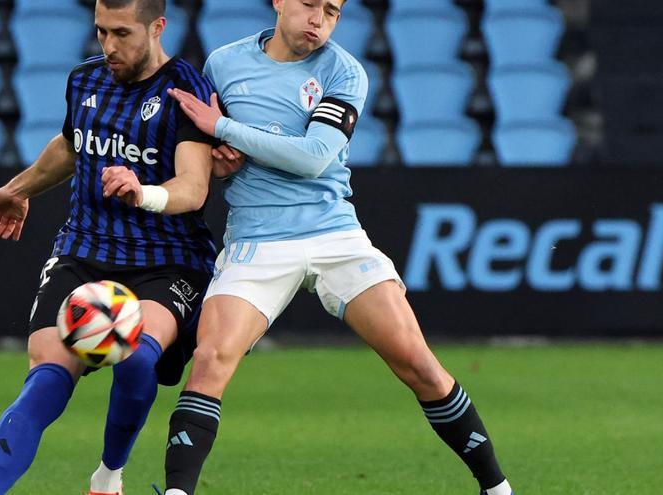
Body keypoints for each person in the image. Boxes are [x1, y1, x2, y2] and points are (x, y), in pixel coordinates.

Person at [159, 1, 515, 494]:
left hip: (334, 235)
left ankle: (497, 489)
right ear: (280, 1)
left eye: (332, 11)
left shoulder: (344, 71)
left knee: (419, 364)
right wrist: (219, 158)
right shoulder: (224, 63)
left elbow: (313, 157)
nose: (319, 20)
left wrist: (224, 128)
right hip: (257, 238)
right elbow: (211, 159)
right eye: (309, 4)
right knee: (210, 359)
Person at [0, 1, 220, 493]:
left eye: (121, 33)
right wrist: (19, 189)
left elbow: (194, 187)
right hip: (84, 251)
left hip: (166, 259)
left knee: (138, 358)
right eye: (101, 31)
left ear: (157, 27)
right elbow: (71, 143)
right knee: (44, 382)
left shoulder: (187, 89)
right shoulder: (85, 79)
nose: (108, 45)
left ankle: (108, 475)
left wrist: (143, 192)